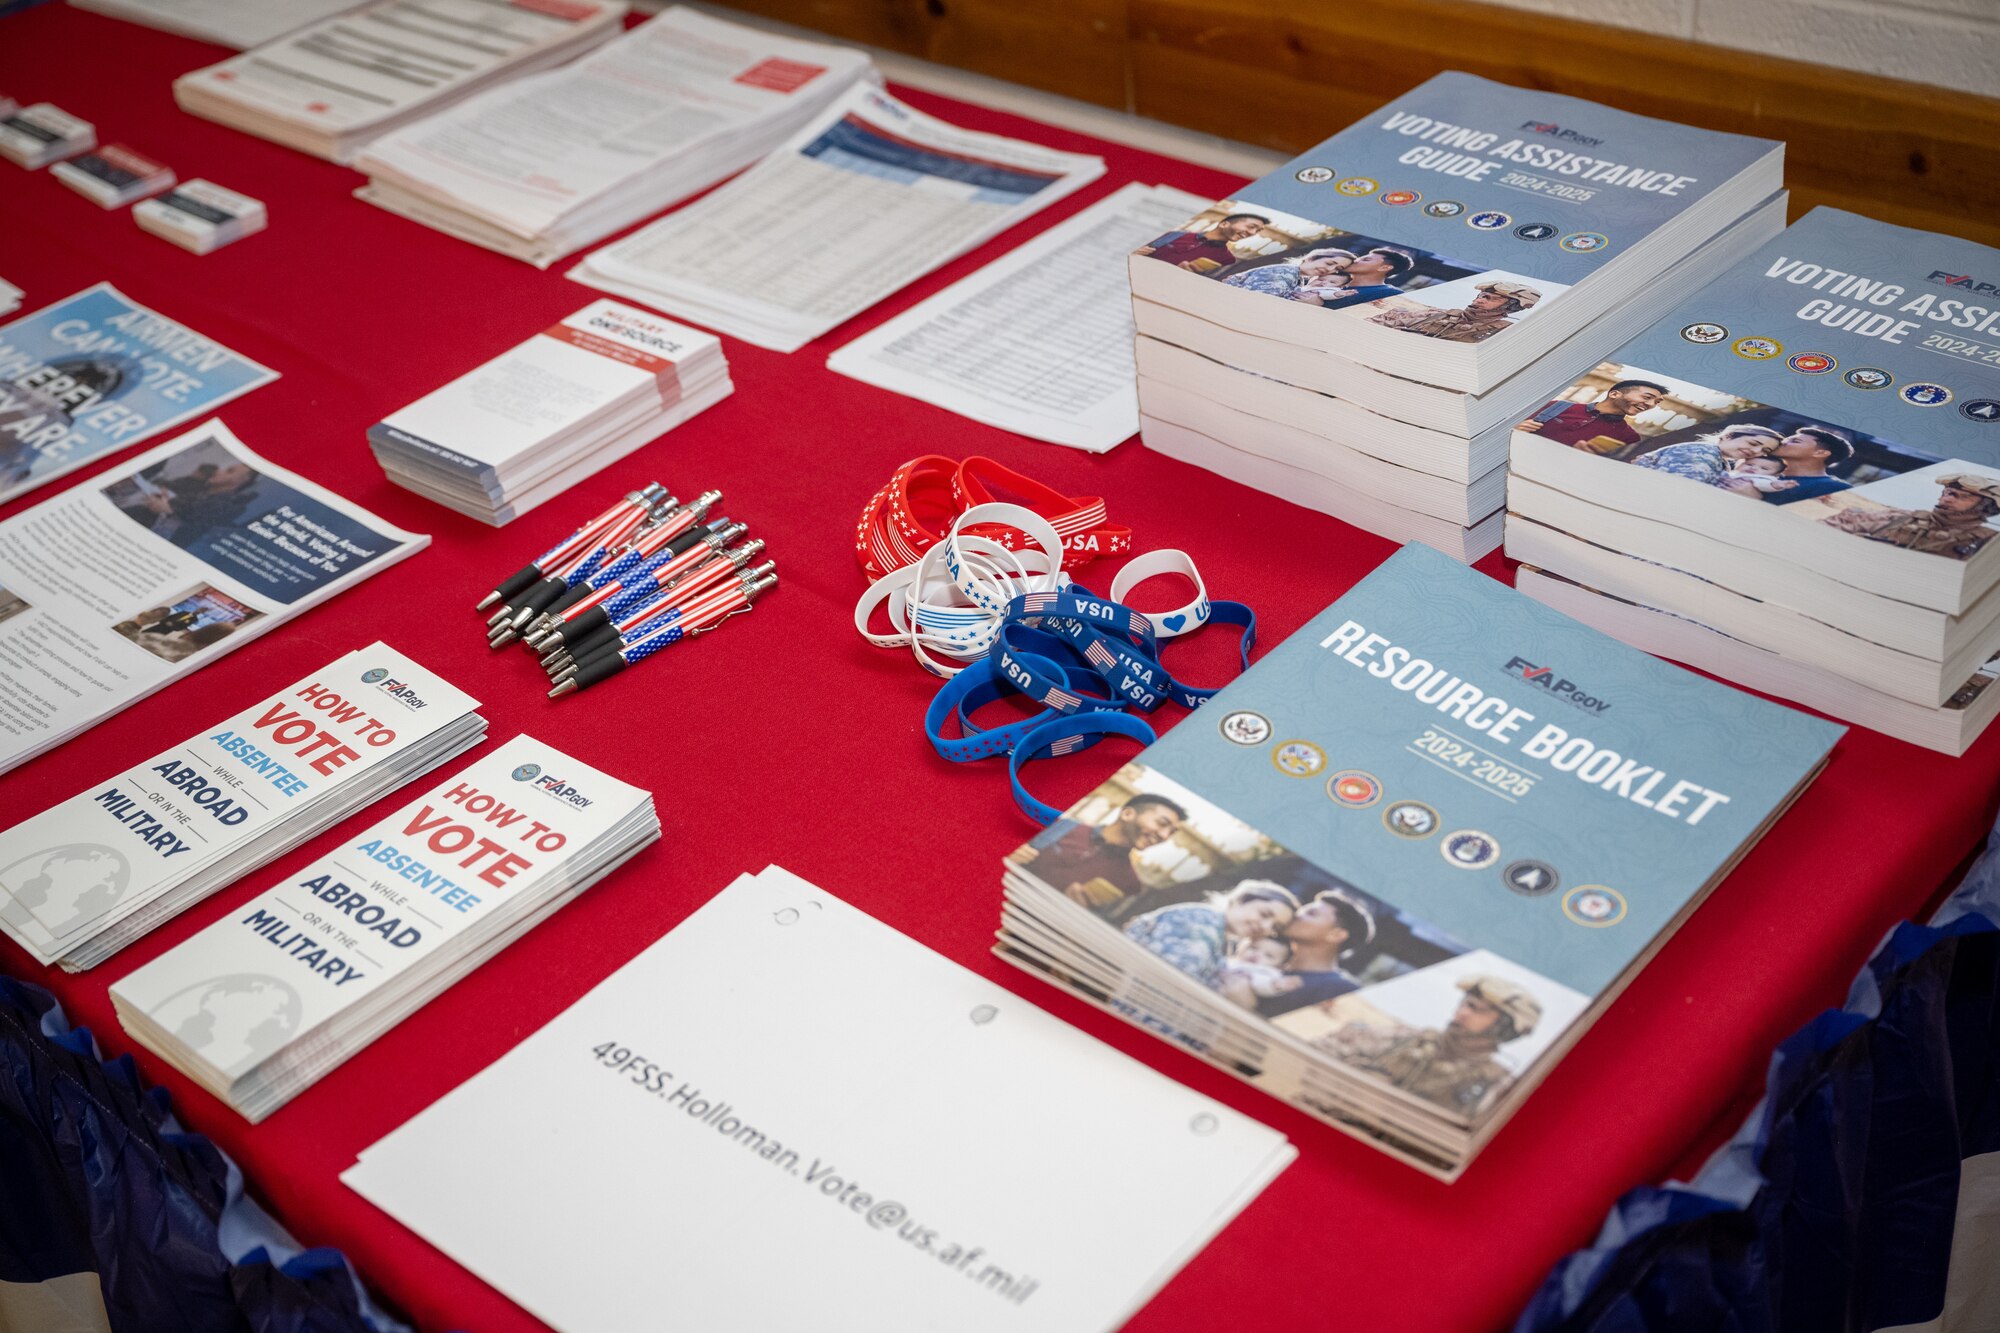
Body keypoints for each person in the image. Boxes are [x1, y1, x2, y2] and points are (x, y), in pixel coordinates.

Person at [1315, 974, 1543, 1118]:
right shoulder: (1403, 1040)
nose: (1462, 1013)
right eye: (1465, 1003)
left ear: (1503, 1028)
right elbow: (1320, 1052)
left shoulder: (1496, 1087)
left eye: (1476, 1009)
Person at [1013, 792, 1187, 915]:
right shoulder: (1062, 827)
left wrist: (1078, 915)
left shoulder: (1130, 884)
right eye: (1162, 823)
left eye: (1171, 832)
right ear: (1127, 813)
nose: (1164, 835)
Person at [1123, 881, 1299, 989]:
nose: (1266, 927)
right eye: (1264, 914)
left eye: (1275, 927)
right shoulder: (1203, 922)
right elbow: (1165, 983)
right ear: (1240, 900)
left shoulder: (1223, 939)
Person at [1820, 474, 2000, 560]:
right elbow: (1828, 529)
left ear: (1987, 507)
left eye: (1960, 496)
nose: (1947, 498)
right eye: (1947, 492)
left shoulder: (1988, 542)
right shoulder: (1900, 518)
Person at [1258, 889, 1375, 1018]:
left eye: (1311, 914)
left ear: (1336, 935)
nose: (1296, 915)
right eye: (1302, 910)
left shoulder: (1341, 990)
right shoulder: (1262, 961)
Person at [116, 459, 260, 550]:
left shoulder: (224, 504)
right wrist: (168, 499)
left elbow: (194, 532)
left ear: (241, 481)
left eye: (229, 471)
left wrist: (168, 511)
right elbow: (183, 505)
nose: (219, 471)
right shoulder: (205, 491)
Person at [1366, 279, 1542, 343]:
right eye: (1481, 295)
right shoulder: (1439, 315)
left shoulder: (1504, 334)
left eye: (1490, 298)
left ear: (1510, 307)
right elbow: (1379, 323)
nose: (1479, 299)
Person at [1515, 379, 1666, 452]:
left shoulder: (1629, 437)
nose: (1651, 404)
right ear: (1614, 394)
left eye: (1657, 402)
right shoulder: (1556, 405)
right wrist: (1515, 430)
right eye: (1647, 397)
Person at [1632, 422, 1783, 489]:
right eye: (1753, 443)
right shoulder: (1705, 453)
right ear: (1729, 436)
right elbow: (1679, 491)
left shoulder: (1719, 460)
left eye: (1765, 451)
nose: (1756, 452)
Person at [1288, 247, 1415, 310]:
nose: (1356, 261)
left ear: (1384, 268)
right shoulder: (1328, 279)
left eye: (1365, 260)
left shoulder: (1390, 294)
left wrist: (1317, 307)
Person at [1136, 213, 1270, 271]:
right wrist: (1138, 252)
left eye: (1257, 231)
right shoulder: (1175, 235)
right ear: (1224, 224)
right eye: (1251, 227)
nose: (1252, 233)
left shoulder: (1227, 259)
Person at [1760, 425, 1855, 504]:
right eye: (1787, 439)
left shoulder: (1835, 488)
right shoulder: (1759, 470)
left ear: (1820, 453)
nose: (1782, 442)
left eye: (1795, 441)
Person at [1220, 247, 1354, 300]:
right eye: (1329, 263)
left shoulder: (1297, 278)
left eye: (1337, 269)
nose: (1330, 271)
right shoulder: (1286, 272)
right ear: (1311, 258)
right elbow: (1259, 301)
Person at [1212, 936, 1302, 1011]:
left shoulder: (1266, 972)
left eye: (1268, 955)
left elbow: (1260, 983)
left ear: (1280, 966)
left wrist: (1275, 985)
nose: (1257, 954)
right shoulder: (1232, 961)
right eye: (1254, 948)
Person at [1718, 453, 1798, 495]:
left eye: (1764, 468)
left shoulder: (1761, 478)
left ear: (1775, 475)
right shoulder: (1734, 473)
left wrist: (1779, 484)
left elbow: (1766, 485)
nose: (1753, 468)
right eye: (1750, 464)